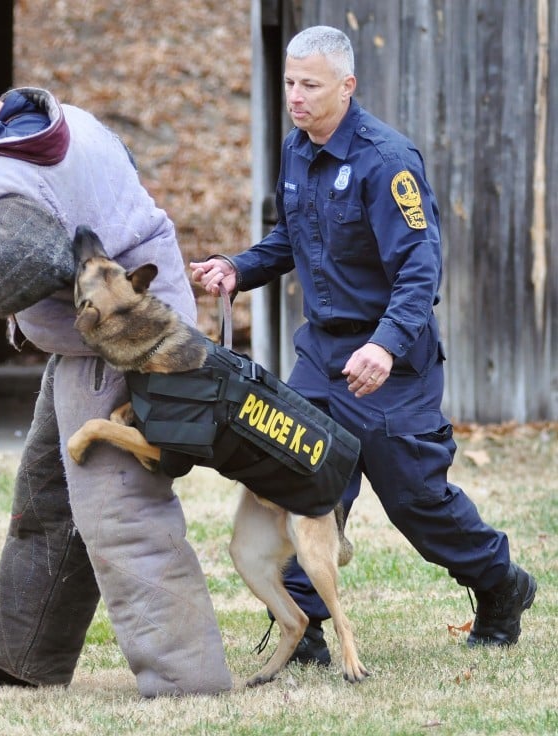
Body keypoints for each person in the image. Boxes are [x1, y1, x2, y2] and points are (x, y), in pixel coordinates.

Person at [0, 61, 232, 697]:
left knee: (121, 513)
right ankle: (19, 659)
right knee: (48, 495)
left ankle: (186, 681)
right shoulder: (69, 121)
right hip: (103, 334)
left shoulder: (10, 165)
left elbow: (18, 258)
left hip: (124, 343)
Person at [190, 25, 536, 667]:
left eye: (310, 85)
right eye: (290, 82)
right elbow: (289, 241)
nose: (295, 95)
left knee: (414, 497)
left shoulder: (386, 160)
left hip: (390, 365)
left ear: (347, 87)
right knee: (298, 478)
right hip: (321, 359)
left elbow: (419, 269)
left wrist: (383, 346)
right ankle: (305, 627)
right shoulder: (297, 151)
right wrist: (238, 267)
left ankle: (499, 583)